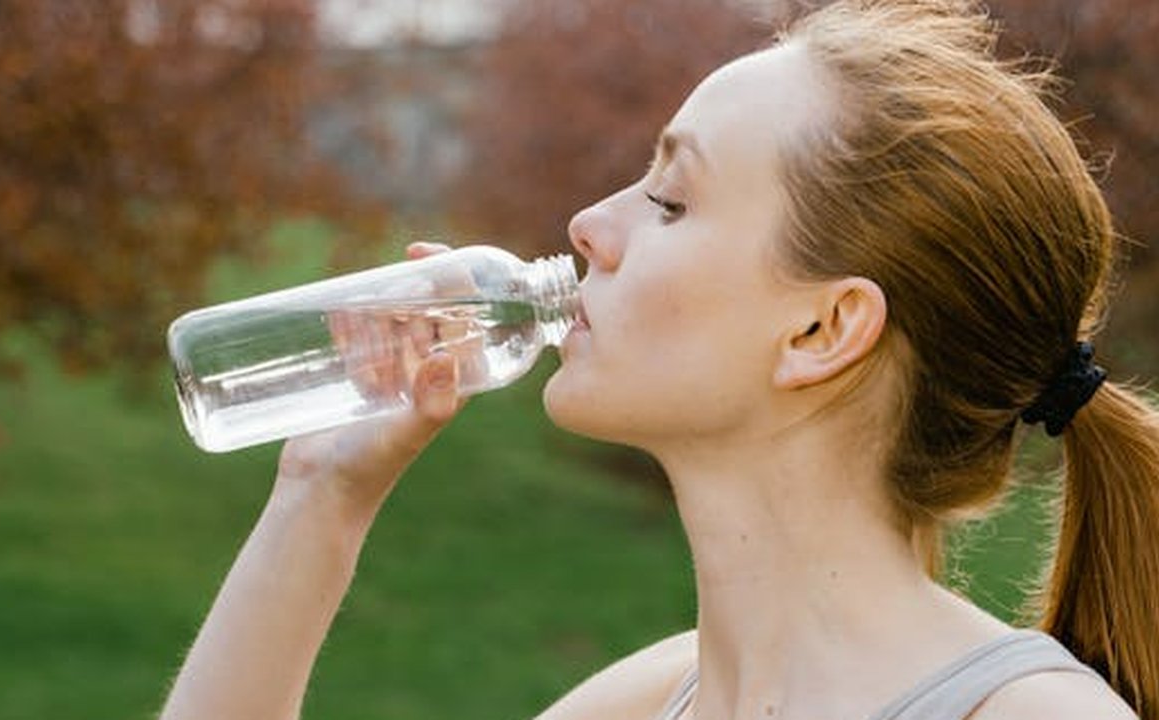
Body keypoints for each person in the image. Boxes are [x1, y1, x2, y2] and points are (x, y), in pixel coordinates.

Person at [158, 1, 1159, 718]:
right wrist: (320, 494)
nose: (588, 224)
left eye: (670, 202)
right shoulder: (652, 699)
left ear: (821, 332)